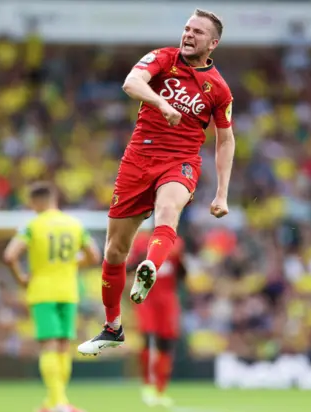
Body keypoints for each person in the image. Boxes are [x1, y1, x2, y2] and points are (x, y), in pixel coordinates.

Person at [78, 8, 235, 356]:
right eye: (186, 28)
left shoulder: (219, 89)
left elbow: (225, 140)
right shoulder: (163, 59)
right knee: (114, 251)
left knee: (168, 207)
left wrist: (222, 193)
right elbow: (131, 83)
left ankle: (151, 264)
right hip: (137, 161)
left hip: (180, 162)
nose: (188, 35)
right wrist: (161, 103)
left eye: (197, 31)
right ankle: (112, 327)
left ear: (213, 43)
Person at [3, 183, 100, 412]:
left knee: (48, 346)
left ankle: (58, 402)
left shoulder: (33, 226)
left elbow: (9, 256)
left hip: (42, 290)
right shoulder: (74, 224)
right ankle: (55, 400)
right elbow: (94, 256)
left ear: (37, 202)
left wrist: (22, 279)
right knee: (64, 346)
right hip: (69, 290)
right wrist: (69, 264)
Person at [128, 232, 185, 407]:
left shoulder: (178, 243)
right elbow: (130, 266)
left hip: (167, 300)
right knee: (146, 339)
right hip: (147, 296)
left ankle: (160, 389)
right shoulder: (142, 242)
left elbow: (182, 272)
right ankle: (147, 385)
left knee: (165, 343)